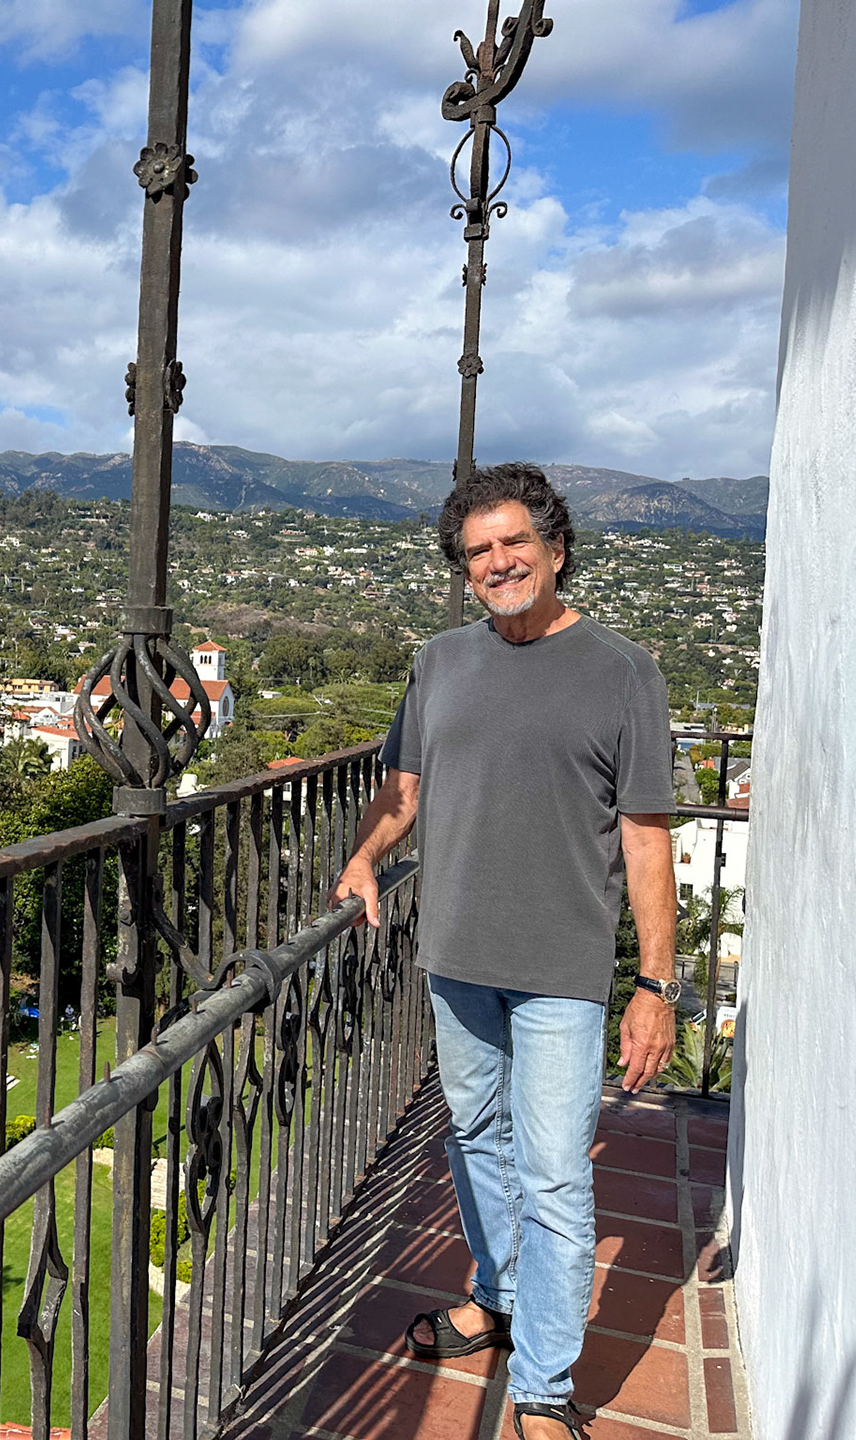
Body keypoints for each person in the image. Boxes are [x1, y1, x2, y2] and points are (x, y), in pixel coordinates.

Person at [329, 462, 680, 1440]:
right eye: (479, 551)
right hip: (456, 955)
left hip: (564, 966)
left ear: (556, 549)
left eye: (514, 542)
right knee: (477, 1138)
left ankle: (540, 1386)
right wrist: (363, 855)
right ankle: (501, 1292)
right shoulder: (439, 664)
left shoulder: (623, 671)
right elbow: (401, 792)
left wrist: (655, 982)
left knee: (559, 1173)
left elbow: (648, 836)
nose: (498, 561)